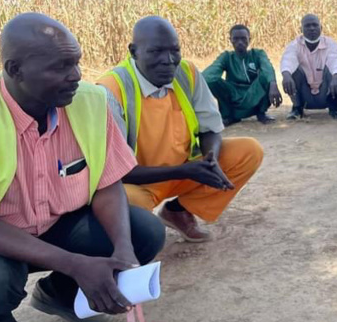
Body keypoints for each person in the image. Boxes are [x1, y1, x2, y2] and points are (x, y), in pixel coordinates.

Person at [0, 13, 165, 322]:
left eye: (77, 62)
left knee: (144, 232)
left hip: (58, 223)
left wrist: (123, 251)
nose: (76, 75)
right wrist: (76, 263)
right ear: (15, 69)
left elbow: (106, 182)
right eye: (61, 67)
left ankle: (60, 297)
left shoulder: (90, 102)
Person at [98, 16, 263, 243]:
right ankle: (134, 241)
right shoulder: (111, 90)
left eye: (174, 51)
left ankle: (178, 211)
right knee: (117, 201)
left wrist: (210, 158)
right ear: (134, 52)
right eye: (156, 51)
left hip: (185, 170)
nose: (168, 60)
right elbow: (116, 171)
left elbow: (210, 128)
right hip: (138, 184)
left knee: (248, 151)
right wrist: (186, 171)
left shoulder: (186, 73)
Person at [203, 24, 283, 126]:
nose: (240, 42)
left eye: (243, 38)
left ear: (249, 39)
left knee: (265, 76)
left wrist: (273, 83)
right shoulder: (227, 57)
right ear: (230, 40)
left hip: (254, 93)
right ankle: (229, 116)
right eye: (236, 39)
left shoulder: (257, 54)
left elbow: (267, 67)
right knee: (211, 80)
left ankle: (261, 113)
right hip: (233, 93)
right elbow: (211, 72)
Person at [279, 14, 337, 120]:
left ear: (321, 28)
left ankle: (334, 107)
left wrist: (336, 77)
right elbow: (288, 59)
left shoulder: (331, 44)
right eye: (307, 26)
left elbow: (336, 61)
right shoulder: (294, 45)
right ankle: (297, 108)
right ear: (301, 29)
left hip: (326, 94)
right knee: (292, 71)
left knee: (334, 71)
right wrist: (286, 75)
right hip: (305, 97)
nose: (312, 28)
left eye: (315, 25)